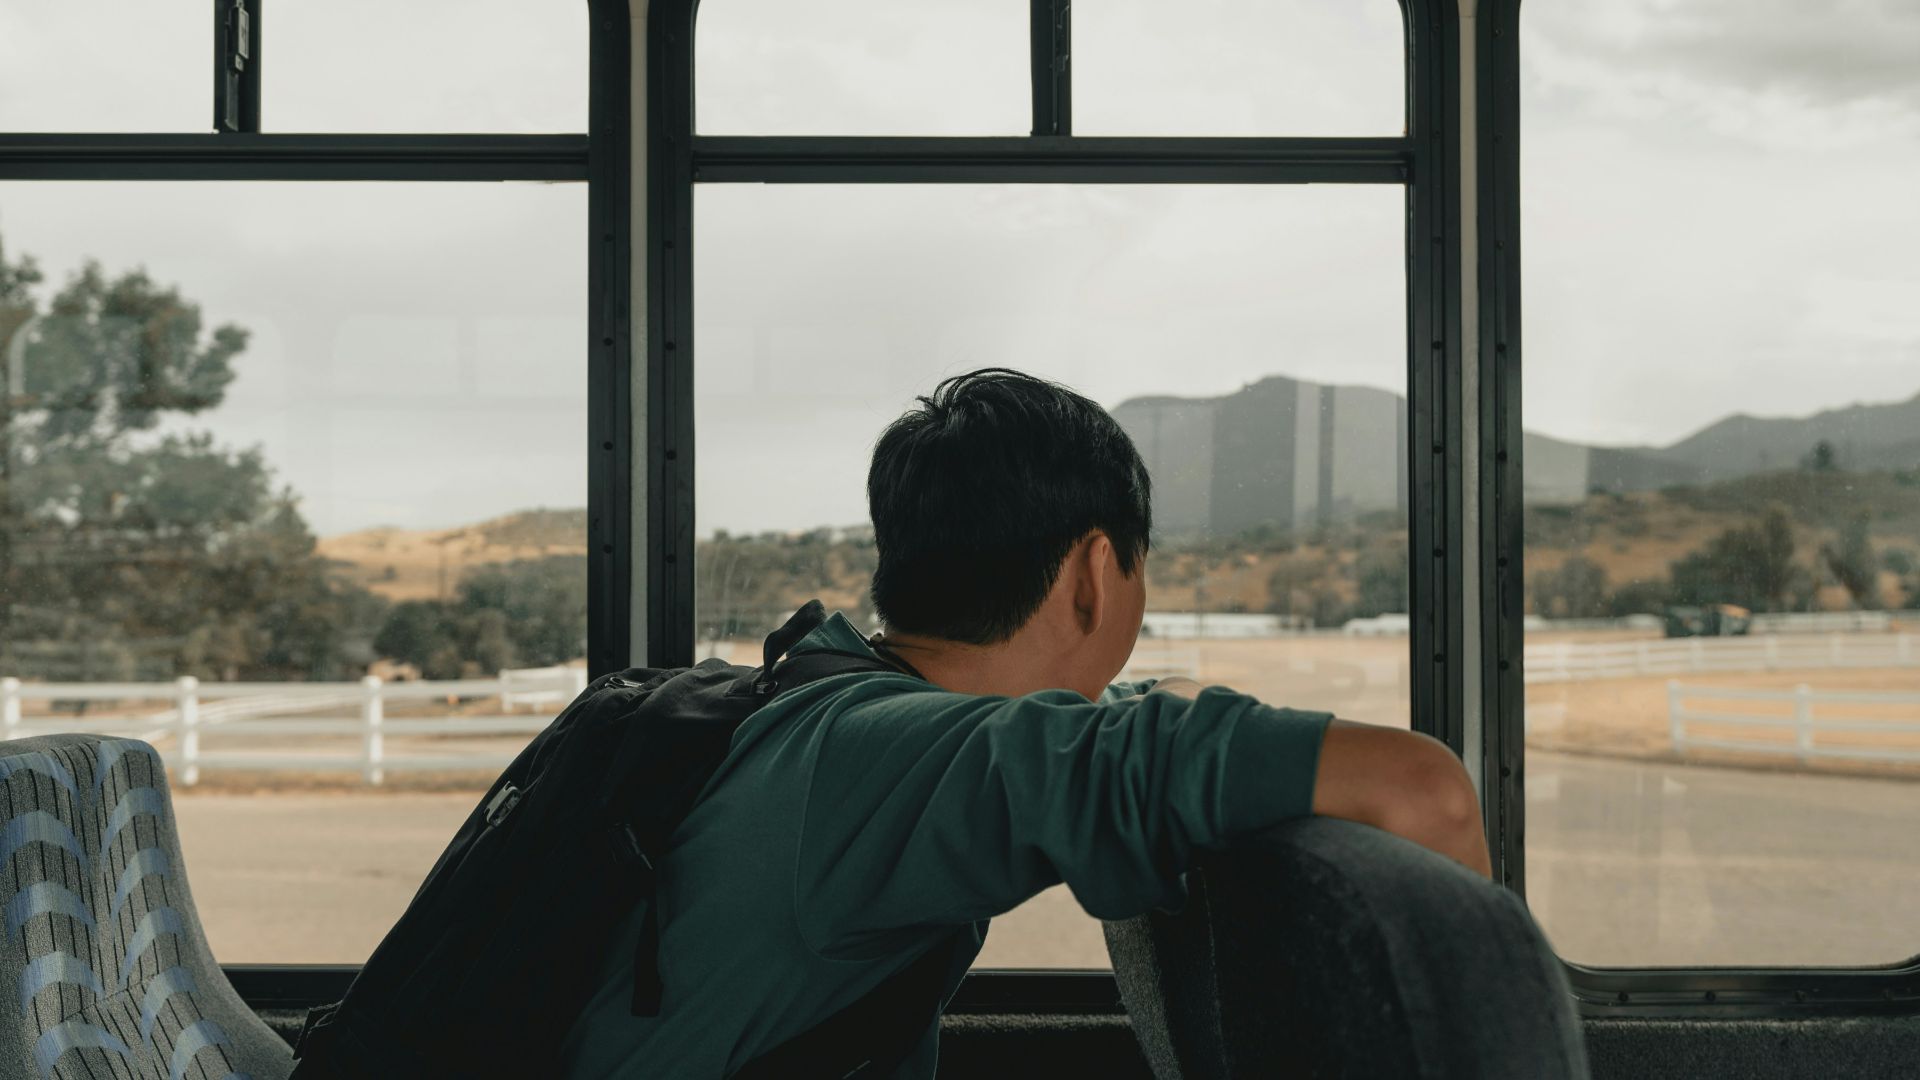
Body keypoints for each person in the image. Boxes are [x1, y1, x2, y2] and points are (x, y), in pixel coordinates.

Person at [559, 368, 1489, 1078]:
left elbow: (1113, 717)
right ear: (1095, 574)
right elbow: (1422, 787)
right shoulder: (915, 761)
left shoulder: (820, 707)